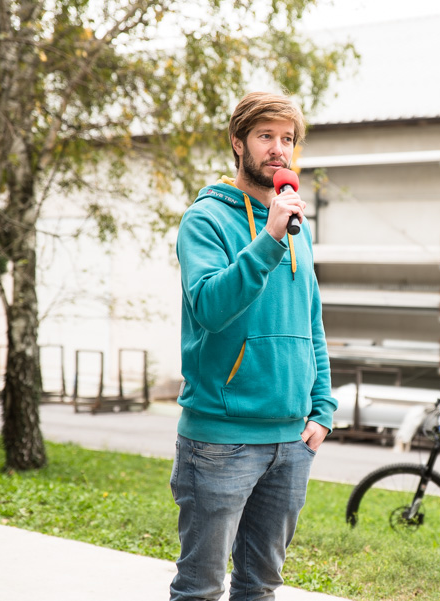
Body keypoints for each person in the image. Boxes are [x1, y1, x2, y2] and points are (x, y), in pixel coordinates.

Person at [169, 91, 337, 601]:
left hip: (292, 442)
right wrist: (268, 239)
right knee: (199, 590)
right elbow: (209, 306)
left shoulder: (298, 228)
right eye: (266, 136)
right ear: (238, 143)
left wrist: (322, 409)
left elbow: (311, 322)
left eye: (287, 138)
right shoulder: (206, 220)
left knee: (260, 588)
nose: (279, 149)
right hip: (222, 441)